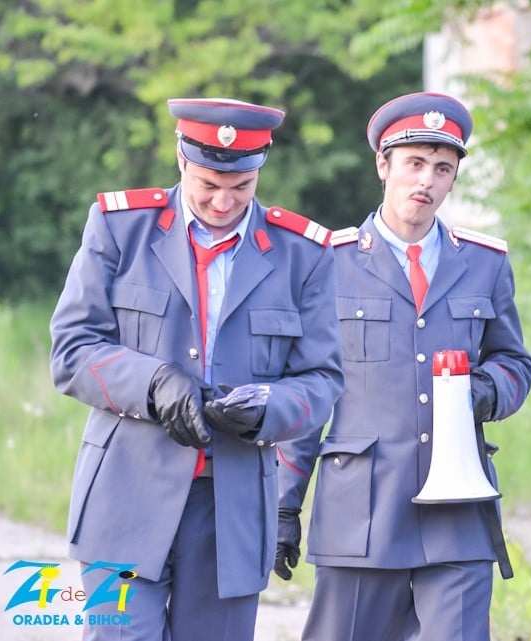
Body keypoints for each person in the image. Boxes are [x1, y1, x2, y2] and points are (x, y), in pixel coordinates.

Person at [49, 98, 344, 641]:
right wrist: (155, 384)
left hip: (231, 508)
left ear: (260, 173)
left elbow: (322, 381)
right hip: (125, 495)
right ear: (181, 161)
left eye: (242, 187)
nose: (224, 201)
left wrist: (267, 409)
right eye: (209, 184)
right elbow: (72, 349)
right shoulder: (121, 228)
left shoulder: (303, 253)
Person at [275, 91, 531, 641]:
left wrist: (486, 392)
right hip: (361, 511)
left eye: (442, 169)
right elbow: (307, 392)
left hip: (459, 510)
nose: (427, 181)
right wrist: (283, 505)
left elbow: (514, 361)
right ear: (383, 165)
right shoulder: (328, 261)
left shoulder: (485, 263)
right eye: (415, 164)